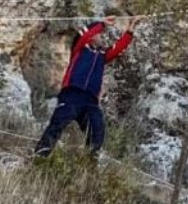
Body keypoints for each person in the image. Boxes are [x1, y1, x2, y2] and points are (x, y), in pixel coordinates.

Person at [34, 16, 136, 159]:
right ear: (91, 38)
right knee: (56, 125)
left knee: (97, 129)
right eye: (99, 34)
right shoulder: (79, 49)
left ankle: (89, 163)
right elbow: (85, 34)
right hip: (71, 94)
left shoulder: (103, 56)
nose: (101, 36)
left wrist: (130, 30)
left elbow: (119, 48)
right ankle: (40, 157)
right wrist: (102, 24)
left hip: (90, 101)